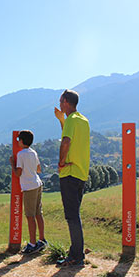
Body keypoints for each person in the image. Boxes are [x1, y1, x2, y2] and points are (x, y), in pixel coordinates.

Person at [54, 89, 90, 267]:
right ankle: (76, 252)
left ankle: (76, 256)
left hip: (68, 173)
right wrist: (62, 120)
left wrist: (61, 162)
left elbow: (66, 141)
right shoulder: (83, 120)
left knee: (72, 216)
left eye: (61, 101)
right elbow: (71, 136)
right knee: (75, 215)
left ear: (66, 101)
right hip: (81, 173)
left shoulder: (71, 120)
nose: (60, 104)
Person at [9, 130, 48, 254]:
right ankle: (42, 240)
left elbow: (18, 173)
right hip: (37, 184)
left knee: (30, 216)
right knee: (38, 213)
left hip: (29, 187)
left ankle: (32, 243)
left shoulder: (21, 155)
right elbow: (39, 169)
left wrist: (12, 164)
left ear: (21, 141)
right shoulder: (33, 152)